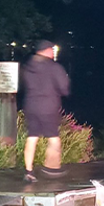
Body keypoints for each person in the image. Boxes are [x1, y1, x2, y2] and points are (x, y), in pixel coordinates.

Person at [21, 40, 70, 182]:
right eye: (52, 50)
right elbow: (64, 88)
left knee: (32, 137)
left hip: (30, 105)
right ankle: (52, 167)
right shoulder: (54, 67)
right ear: (47, 50)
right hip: (48, 106)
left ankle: (28, 170)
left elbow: (23, 84)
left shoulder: (27, 66)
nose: (53, 52)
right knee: (53, 138)